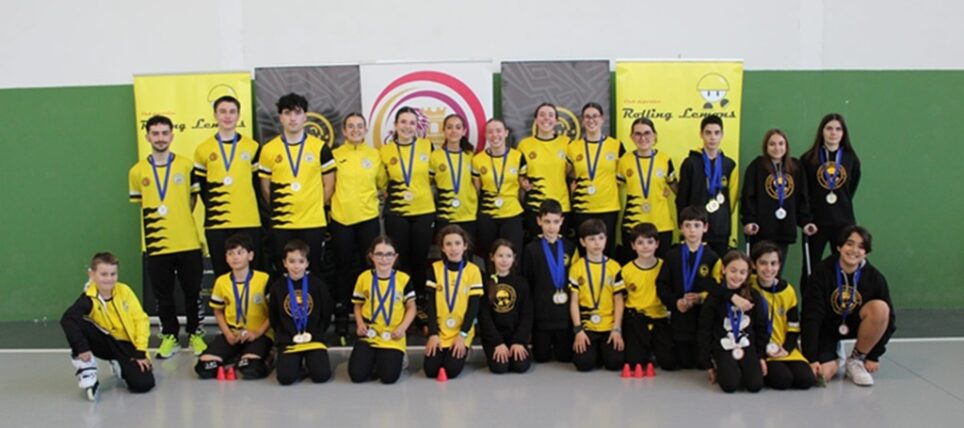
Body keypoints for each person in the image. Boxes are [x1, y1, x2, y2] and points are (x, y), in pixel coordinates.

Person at [128, 114, 206, 358]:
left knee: (193, 292)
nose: (160, 138)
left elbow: (192, 199)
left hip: (187, 241)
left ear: (172, 136)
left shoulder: (186, 165)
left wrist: (179, 218)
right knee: (163, 296)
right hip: (157, 244)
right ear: (147, 137)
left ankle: (195, 334)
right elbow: (141, 202)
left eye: (164, 133)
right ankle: (170, 336)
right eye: (155, 133)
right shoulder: (137, 171)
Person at [802, 225, 894, 387]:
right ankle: (837, 357)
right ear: (839, 247)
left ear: (866, 252)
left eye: (861, 247)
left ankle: (856, 359)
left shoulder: (874, 277)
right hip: (827, 328)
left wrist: (874, 355)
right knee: (819, 376)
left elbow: (890, 319)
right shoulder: (821, 272)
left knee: (880, 308)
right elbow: (811, 315)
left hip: (856, 324)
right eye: (849, 244)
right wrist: (811, 357)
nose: (854, 250)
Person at [257, 93, 336, 276]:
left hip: (313, 222)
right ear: (280, 117)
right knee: (284, 272)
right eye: (287, 113)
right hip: (282, 223)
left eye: (297, 113)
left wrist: (312, 206)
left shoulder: (320, 147)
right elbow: (266, 188)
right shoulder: (268, 149)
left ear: (305, 117)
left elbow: (329, 186)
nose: (292, 118)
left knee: (313, 271)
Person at [61, 253, 155, 400]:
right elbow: (67, 319)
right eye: (104, 274)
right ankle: (87, 367)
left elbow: (141, 321)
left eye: (113, 274)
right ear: (92, 274)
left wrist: (140, 351)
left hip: (126, 345)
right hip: (104, 341)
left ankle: (119, 364)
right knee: (72, 319)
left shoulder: (125, 291)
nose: (109, 279)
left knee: (143, 384)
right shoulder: (88, 298)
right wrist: (82, 348)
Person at [329, 113, 387, 343]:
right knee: (342, 269)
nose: (355, 130)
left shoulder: (374, 155)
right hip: (341, 219)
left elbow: (382, 184)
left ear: (365, 130)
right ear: (344, 131)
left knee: (370, 268)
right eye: (351, 126)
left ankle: (371, 315)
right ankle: (342, 318)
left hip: (368, 218)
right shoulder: (334, 155)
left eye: (360, 126)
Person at [192, 95, 263, 277]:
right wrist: (217, 209)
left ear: (238, 115)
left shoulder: (252, 147)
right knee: (222, 274)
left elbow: (258, 185)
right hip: (217, 223)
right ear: (215, 115)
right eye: (222, 111)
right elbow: (202, 188)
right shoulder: (203, 149)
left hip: (248, 220)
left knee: (251, 275)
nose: (227, 116)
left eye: (232, 111)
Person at [379, 106, 436, 318]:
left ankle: (420, 302)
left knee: (420, 259)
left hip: (424, 210)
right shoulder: (384, 151)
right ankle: (400, 302)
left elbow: (434, 177)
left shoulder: (427, 146)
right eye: (403, 122)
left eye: (412, 123)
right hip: (397, 212)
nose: (407, 126)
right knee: (400, 259)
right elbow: (382, 182)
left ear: (417, 126)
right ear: (395, 125)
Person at [194, 234, 272, 380]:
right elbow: (218, 311)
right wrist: (228, 334)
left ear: (250, 256)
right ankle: (235, 357)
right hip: (233, 334)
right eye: (231, 253)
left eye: (240, 252)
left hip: (258, 334)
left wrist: (257, 332)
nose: (235, 257)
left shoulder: (263, 279)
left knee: (251, 369)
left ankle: (262, 357)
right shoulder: (221, 282)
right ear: (226, 258)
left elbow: (273, 313)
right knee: (204, 368)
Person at [656, 206, 723, 370]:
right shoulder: (672, 255)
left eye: (697, 225)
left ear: (705, 228)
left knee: (700, 364)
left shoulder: (712, 257)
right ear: (681, 228)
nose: (692, 230)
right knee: (683, 363)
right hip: (679, 316)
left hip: (702, 317)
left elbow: (718, 287)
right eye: (687, 225)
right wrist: (675, 302)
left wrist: (701, 297)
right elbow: (662, 285)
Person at [800, 113, 861, 289]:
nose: (833, 133)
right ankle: (811, 304)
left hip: (843, 222)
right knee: (811, 267)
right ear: (822, 131)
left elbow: (850, 188)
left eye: (838, 129)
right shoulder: (808, 159)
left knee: (845, 265)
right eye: (829, 128)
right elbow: (804, 192)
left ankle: (841, 302)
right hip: (816, 223)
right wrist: (806, 219)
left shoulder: (850, 158)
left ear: (843, 133)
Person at [741, 129, 816, 263]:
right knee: (759, 268)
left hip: (784, 230)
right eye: (772, 144)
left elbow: (802, 197)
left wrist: (805, 221)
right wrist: (749, 220)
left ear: (786, 146)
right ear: (766, 147)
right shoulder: (756, 167)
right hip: (761, 231)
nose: (777, 148)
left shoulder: (795, 168)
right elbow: (748, 196)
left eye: (781, 144)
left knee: (776, 269)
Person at [348, 236, 417, 384]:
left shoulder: (403, 279)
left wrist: (402, 328)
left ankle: (397, 357)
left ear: (395, 257)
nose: (384, 259)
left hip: (393, 334)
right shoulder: (364, 278)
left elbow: (411, 307)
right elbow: (358, 305)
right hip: (370, 333)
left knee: (389, 377)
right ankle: (374, 358)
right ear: (371, 256)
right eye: (379, 254)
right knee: (357, 375)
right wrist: (360, 323)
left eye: (389, 254)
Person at [698, 251, 767, 393]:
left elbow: (761, 327)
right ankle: (725, 366)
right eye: (733, 270)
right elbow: (704, 331)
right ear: (724, 269)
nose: (737, 276)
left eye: (742, 272)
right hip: (724, 346)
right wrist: (708, 364)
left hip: (746, 346)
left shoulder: (753, 296)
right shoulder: (714, 298)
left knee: (755, 385)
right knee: (730, 385)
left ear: (748, 274)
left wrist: (761, 356)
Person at [751, 241, 815, 390]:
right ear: (754, 265)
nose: (768, 269)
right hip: (761, 349)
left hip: (783, 346)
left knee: (806, 380)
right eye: (763, 263)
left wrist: (786, 348)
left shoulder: (788, 291)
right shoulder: (749, 285)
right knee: (783, 380)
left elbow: (794, 326)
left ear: (779, 265)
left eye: (773, 263)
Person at [267, 240, 333, 385]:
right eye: (291, 261)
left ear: (307, 263)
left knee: (321, 376)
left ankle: (310, 362)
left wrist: (317, 332)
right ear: (284, 263)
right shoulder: (277, 287)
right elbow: (274, 316)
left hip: (313, 337)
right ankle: (298, 366)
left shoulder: (318, 285)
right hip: (288, 339)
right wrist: (284, 334)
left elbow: (326, 313)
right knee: (285, 378)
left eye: (301, 261)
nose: (296, 266)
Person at [423, 225, 484, 379]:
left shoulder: (473, 271)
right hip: (440, 330)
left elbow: (474, 307)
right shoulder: (434, 269)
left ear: (465, 246)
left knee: (451, 370)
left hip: (461, 331)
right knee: (430, 370)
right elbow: (430, 305)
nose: (453, 248)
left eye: (457, 243)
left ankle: (463, 351)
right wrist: (433, 334)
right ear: (442, 248)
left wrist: (463, 335)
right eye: (448, 244)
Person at [522, 199, 577, 363]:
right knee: (541, 357)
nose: (551, 226)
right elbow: (527, 282)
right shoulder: (531, 249)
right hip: (541, 315)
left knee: (565, 357)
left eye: (555, 221)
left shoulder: (570, 247)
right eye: (547, 222)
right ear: (539, 221)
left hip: (564, 317)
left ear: (562, 221)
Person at [676, 115, 739, 257]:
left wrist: (724, 221)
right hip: (695, 230)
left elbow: (732, 199)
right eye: (708, 133)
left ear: (722, 135)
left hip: (720, 229)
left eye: (716, 133)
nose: (712, 137)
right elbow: (682, 198)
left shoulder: (729, 164)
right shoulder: (690, 163)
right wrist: (683, 225)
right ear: (701, 134)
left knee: (718, 267)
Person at [617, 117, 677, 262]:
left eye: (647, 133)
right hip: (633, 224)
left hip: (661, 224)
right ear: (632, 137)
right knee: (633, 268)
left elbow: (676, 188)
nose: (642, 138)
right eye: (638, 134)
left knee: (661, 268)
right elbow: (614, 187)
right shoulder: (624, 160)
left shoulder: (665, 159)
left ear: (654, 135)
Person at [567, 103, 623, 256]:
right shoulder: (573, 147)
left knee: (607, 251)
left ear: (602, 119)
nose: (591, 120)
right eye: (587, 117)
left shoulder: (616, 145)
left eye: (595, 116)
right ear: (582, 121)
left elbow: (623, 175)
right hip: (582, 207)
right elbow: (569, 173)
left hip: (608, 207)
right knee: (584, 251)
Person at [569, 218, 625, 372]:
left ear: (606, 240)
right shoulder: (577, 268)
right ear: (583, 242)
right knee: (583, 364)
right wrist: (578, 330)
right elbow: (574, 302)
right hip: (587, 326)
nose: (597, 243)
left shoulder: (614, 267)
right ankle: (595, 352)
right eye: (591, 239)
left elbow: (619, 300)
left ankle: (602, 352)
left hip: (609, 325)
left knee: (615, 363)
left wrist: (617, 329)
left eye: (601, 238)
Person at [620, 223, 674, 374]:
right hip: (636, 318)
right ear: (633, 246)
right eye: (640, 242)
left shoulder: (665, 266)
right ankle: (643, 350)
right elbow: (621, 299)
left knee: (668, 362)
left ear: (657, 244)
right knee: (634, 362)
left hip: (660, 318)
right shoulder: (626, 271)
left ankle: (653, 349)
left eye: (650, 242)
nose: (645, 247)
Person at [518, 103, 571, 241]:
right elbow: (520, 175)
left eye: (550, 115)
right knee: (536, 248)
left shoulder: (567, 143)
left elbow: (572, 172)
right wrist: (523, 183)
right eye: (542, 115)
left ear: (557, 120)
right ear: (536, 120)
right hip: (535, 207)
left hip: (561, 205)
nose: (546, 118)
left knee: (560, 250)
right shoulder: (524, 145)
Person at [473, 118, 526, 256]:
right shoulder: (477, 160)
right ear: (485, 135)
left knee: (512, 255)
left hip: (512, 213)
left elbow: (522, 187)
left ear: (506, 133)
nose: (494, 135)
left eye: (498, 131)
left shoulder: (518, 156)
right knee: (490, 255)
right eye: (490, 132)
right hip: (487, 215)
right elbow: (477, 190)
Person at [478, 239, 532, 374]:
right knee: (500, 368)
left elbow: (527, 314)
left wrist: (519, 341)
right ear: (492, 257)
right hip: (494, 339)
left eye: (508, 256)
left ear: (514, 258)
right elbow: (484, 317)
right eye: (500, 255)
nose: (504, 260)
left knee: (520, 366)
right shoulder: (485, 283)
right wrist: (497, 343)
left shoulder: (521, 283)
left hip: (515, 336)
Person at [431, 114, 478, 240]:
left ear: (464, 131)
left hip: (468, 213)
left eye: (458, 127)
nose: (453, 131)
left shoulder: (471, 156)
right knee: (446, 250)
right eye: (449, 127)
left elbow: (477, 184)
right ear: (444, 131)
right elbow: (429, 183)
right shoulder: (434, 156)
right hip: (444, 214)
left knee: (467, 250)